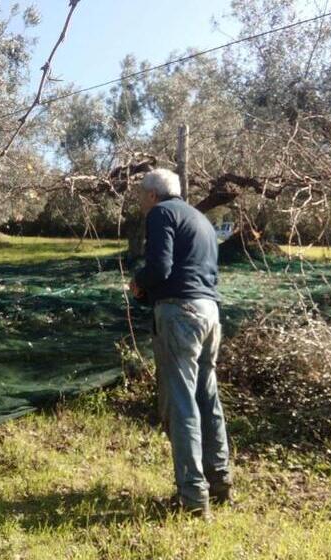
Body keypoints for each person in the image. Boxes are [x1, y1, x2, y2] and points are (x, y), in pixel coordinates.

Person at [129, 168, 232, 518]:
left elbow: (160, 268)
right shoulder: (200, 219)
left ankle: (192, 498)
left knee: (182, 402)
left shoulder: (161, 214)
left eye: (141, 195)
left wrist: (138, 283)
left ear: (153, 195)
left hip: (181, 315)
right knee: (208, 398)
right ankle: (220, 484)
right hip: (210, 312)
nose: (141, 202)